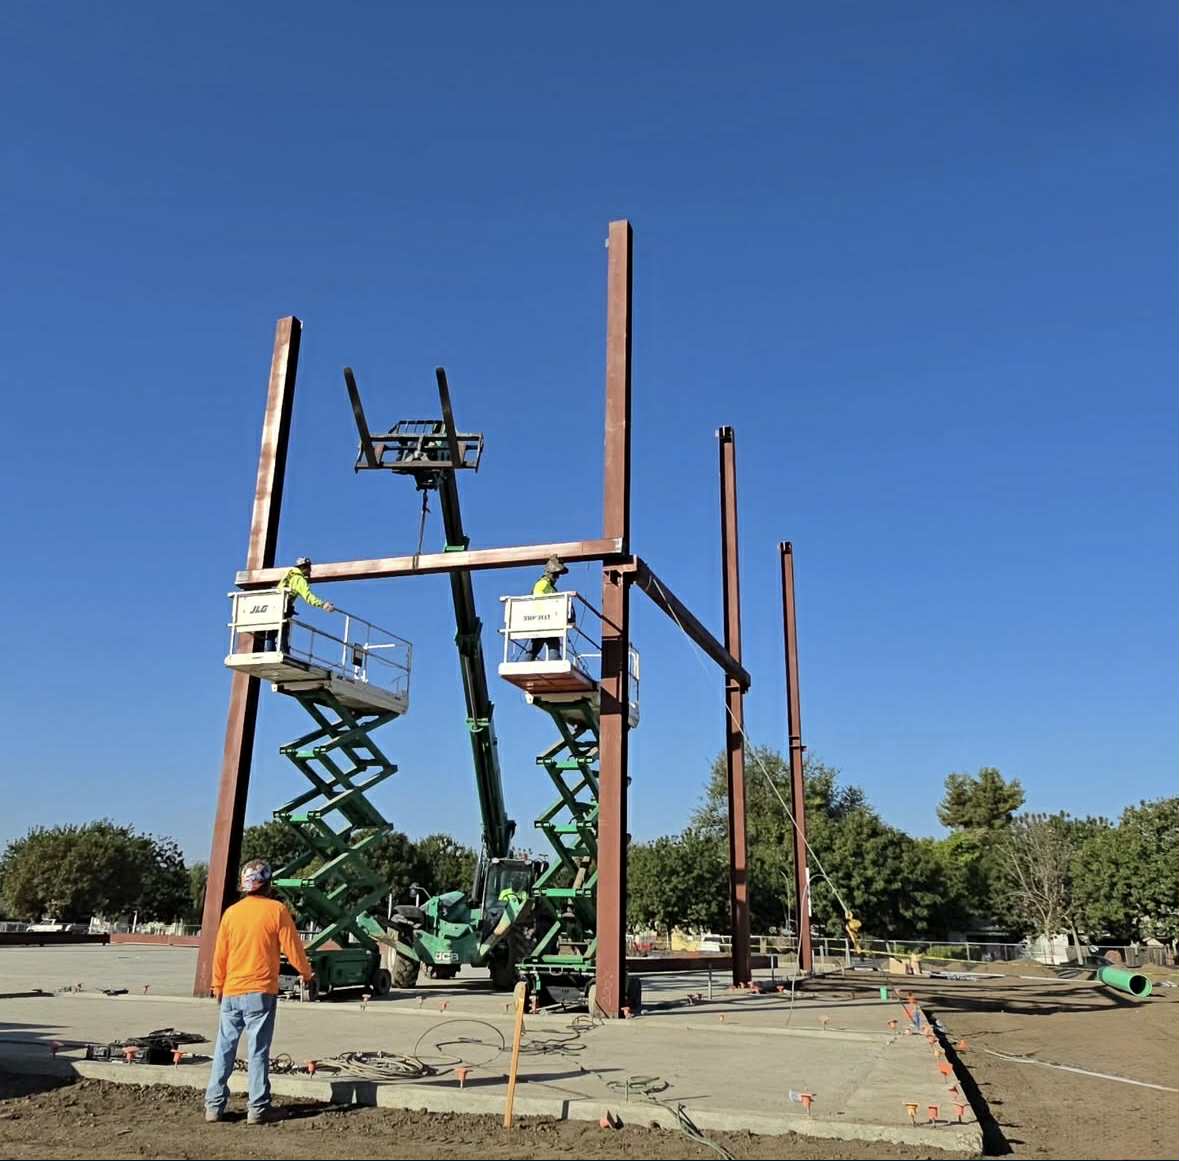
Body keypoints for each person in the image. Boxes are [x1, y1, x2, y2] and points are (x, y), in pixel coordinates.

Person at [205, 859, 314, 1125]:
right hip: (260, 991)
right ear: (267, 884)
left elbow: (220, 954)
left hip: (230, 991)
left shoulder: (231, 913)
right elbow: (293, 948)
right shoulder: (276, 910)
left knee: (224, 1048)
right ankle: (258, 1108)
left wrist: (217, 985)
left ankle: (214, 1107)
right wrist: (307, 973)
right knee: (258, 1051)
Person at [262, 556, 335, 651]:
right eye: (309, 568)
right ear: (303, 568)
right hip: (283, 606)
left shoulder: (289, 575)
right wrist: (322, 604)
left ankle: (269, 651)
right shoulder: (299, 579)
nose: (310, 571)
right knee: (283, 630)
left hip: (274, 605)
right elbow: (308, 597)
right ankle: (284, 651)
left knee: (272, 631)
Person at [526, 555, 569, 661]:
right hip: (544, 620)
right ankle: (555, 661)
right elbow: (538, 599)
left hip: (544, 621)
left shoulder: (549, 586)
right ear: (550, 574)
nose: (557, 578)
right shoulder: (542, 584)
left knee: (535, 647)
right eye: (556, 575)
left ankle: (524, 662)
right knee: (553, 643)